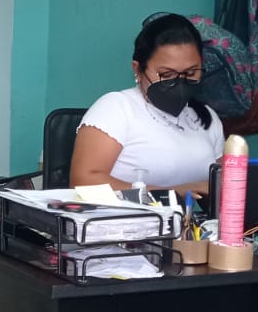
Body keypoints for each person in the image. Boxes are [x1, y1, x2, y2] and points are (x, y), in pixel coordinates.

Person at [70, 12, 225, 198]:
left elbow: (224, 184)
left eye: (191, 73)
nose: (180, 82)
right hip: (123, 217)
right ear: (138, 69)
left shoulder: (206, 117)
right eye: (167, 75)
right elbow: (83, 183)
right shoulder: (117, 108)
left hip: (191, 218)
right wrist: (171, 193)